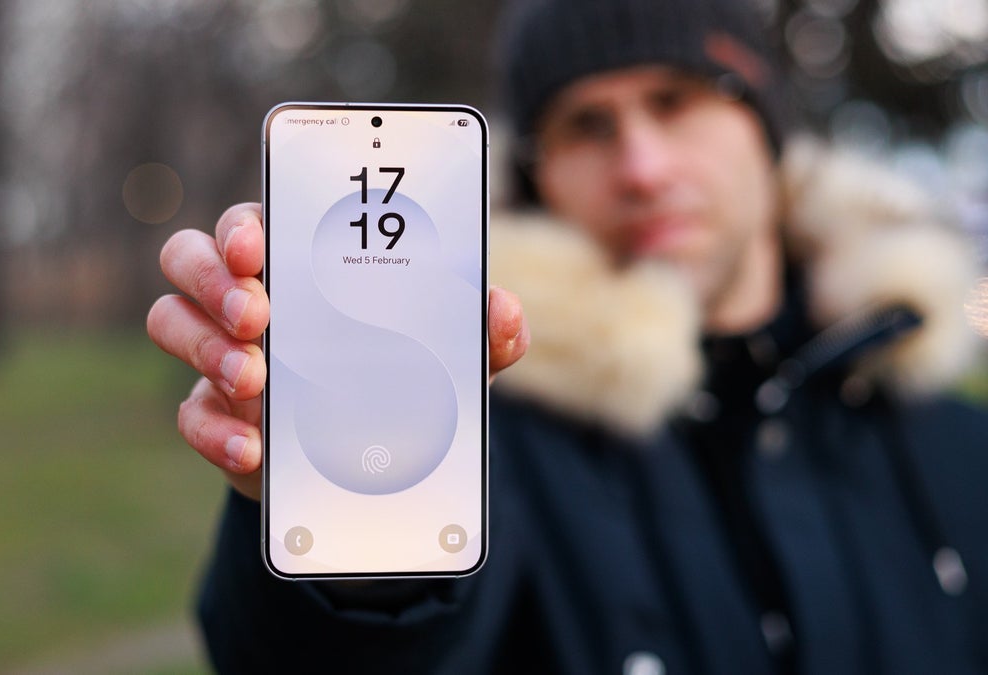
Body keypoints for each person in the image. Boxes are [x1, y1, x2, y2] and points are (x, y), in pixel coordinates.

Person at [146, 0, 988, 672]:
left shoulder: (957, 446)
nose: (642, 167)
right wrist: (356, 541)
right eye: (586, 125)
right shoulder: (480, 439)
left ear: (767, 127)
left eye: (678, 100)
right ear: (538, 175)